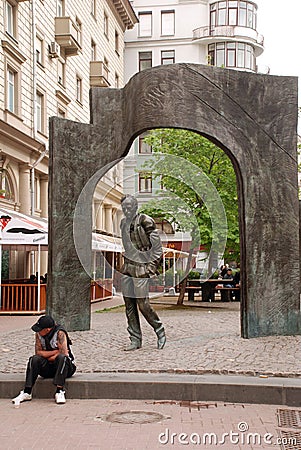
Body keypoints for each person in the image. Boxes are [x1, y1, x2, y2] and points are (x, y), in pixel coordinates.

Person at [120, 195, 166, 351]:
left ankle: (159, 330)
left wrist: (151, 268)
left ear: (135, 206)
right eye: (124, 207)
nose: (126, 210)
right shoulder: (123, 223)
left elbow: (157, 249)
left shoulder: (145, 220)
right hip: (127, 268)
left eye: (129, 206)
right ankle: (135, 339)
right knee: (129, 306)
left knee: (143, 304)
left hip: (141, 268)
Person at [12, 315, 76, 405]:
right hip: (48, 367)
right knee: (34, 359)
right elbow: (38, 353)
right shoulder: (39, 334)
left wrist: (47, 355)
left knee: (62, 358)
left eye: (40, 329)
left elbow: (63, 353)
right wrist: (55, 352)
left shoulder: (60, 333)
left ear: (47, 329)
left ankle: (59, 391)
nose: (38, 331)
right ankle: (27, 391)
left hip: (65, 368)